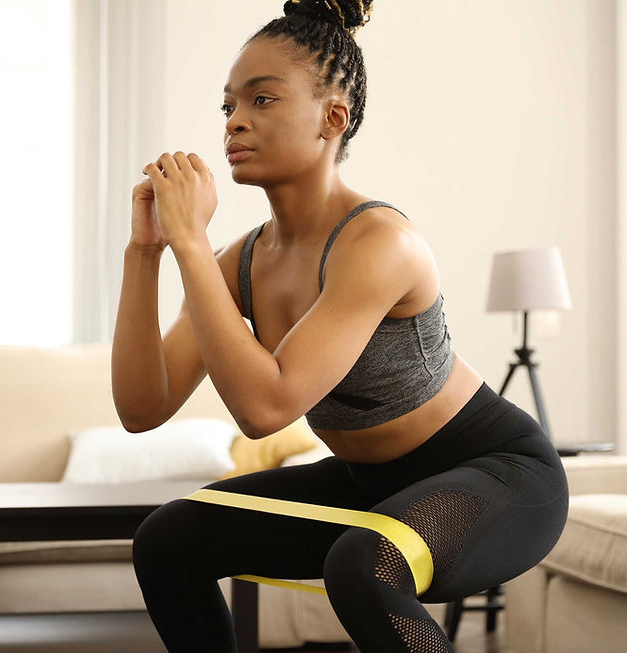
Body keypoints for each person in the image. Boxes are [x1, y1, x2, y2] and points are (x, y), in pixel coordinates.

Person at [110, 1, 569, 651]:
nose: (235, 121)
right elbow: (142, 406)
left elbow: (265, 407)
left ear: (333, 118)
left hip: (498, 474)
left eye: (262, 100)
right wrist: (147, 251)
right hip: (369, 484)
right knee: (167, 540)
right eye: (228, 106)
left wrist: (189, 243)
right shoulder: (239, 262)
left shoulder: (379, 242)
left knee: (364, 565)